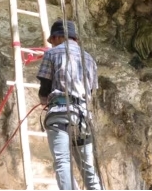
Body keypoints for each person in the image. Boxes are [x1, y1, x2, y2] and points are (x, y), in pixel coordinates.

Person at [36, 19, 102, 191]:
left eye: (53, 40)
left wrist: (43, 98)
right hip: (83, 117)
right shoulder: (90, 59)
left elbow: (45, 85)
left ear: (57, 37)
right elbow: (92, 90)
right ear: (75, 39)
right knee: (88, 168)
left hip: (60, 113)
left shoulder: (52, 54)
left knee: (63, 162)